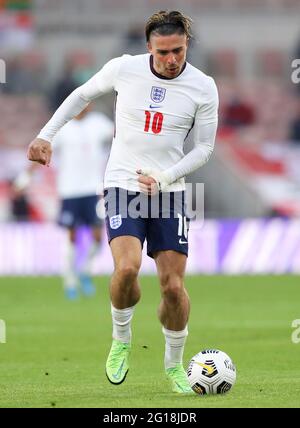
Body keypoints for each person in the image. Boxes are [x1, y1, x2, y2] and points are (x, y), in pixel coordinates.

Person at [27, 10, 219, 393]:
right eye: (163, 51)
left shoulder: (203, 86)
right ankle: (121, 340)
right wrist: (46, 135)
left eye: (178, 50)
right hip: (122, 184)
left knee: (173, 288)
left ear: (186, 45)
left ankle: (174, 366)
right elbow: (81, 95)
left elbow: (204, 149)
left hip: (168, 192)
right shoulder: (125, 69)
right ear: (148, 47)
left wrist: (164, 177)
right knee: (127, 269)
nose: (171, 59)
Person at [17, 103, 113, 299]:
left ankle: (85, 271)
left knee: (97, 236)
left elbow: (121, 135)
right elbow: (42, 151)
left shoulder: (99, 124)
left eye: (87, 104)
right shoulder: (63, 128)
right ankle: (69, 281)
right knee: (72, 237)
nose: (84, 107)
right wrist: (24, 178)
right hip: (69, 190)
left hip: (92, 190)